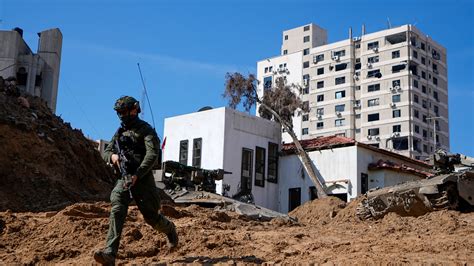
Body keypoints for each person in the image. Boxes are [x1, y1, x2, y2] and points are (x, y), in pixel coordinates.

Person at [94, 96, 178, 265]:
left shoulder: (146, 130)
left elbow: (152, 155)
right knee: (117, 206)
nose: (121, 116)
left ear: (134, 110)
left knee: (152, 218)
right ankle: (110, 253)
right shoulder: (119, 132)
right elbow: (105, 152)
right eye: (119, 113)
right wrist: (113, 157)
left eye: (124, 112)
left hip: (143, 178)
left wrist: (137, 174)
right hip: (124, 177)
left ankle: (170, 229)